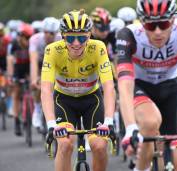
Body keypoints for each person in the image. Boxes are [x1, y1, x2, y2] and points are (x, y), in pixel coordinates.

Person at [116, 0, 177, 170]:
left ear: (173, 20)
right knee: (151, 123)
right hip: (141, 87)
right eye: (151, 26)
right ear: (142, 23)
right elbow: (124, 84)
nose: (158, 32)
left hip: (171, 89)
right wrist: (130, 128)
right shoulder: (128, 35)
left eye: (163, 24)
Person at [41, 9, 115, 171]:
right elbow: (46, 89)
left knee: (100, 145)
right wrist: (51, 124)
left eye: (82, 37)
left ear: (89, 35)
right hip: (64, 100)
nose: (76, 43)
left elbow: (108, 86)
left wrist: (109, 121)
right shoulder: (52, 50)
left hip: (91, 100)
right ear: (62, 36)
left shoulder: (98, 48)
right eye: (70, 38)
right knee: (65, 144)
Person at [29, 17, 61, 129]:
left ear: (56, 33)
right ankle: (37, 109)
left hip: (54, 63)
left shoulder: (60, 39)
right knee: (38, 84)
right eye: (46, 32)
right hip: (39, 62)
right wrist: (34, 80)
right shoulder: (35, 39)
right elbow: (33, 61)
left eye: (51, 33)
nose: (48, 35)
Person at [7, 23, 34, 136]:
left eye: (30, 38)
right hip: (17, 70)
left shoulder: (31, 45)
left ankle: (31, 114)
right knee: (16, 93)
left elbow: (34, 61)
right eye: (27, 38)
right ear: (21, 36)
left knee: (32, 90)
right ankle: (17, 121)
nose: (28, 40)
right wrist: (11, 76)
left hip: (28, 69)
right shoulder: (14, 44)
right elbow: (9, 60)